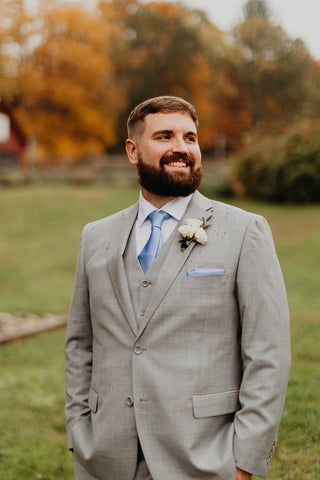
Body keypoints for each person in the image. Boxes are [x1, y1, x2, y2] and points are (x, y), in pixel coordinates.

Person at [65, 95, 291, 480]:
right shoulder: (96, 237)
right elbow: (80, 343)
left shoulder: (244, 231)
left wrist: (243, 461)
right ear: (133, 151)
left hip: (203, 456)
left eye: (190, 137)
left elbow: (267, 352)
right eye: (165, 136)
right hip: (104, 456)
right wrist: (79, 429)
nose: (181, 148)